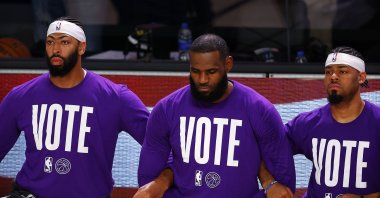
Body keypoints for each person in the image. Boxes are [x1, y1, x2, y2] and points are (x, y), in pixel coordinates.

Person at [0, 16, 154, 198]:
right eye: (50, 42)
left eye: (64, 42)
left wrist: (157, 184)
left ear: (81, 47)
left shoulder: (115, 97)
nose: (55, 49)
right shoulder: (21, 96)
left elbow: (159, 143)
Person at [136, 33, 295, 197]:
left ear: (228, 64)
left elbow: (283, 186)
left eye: (211, 71)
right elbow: (148, 184)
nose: (203, 80)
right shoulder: (166, 109)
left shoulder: (260, 110)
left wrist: (269, 182)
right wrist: (162, 181)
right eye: (195, 71)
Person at [284, 46, 380, 197]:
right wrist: (271, 183)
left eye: (342, 71)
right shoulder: (308, 123)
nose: (333, 76)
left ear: (361, 77)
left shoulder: (376, 123)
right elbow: (267, 146)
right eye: (328, 72)